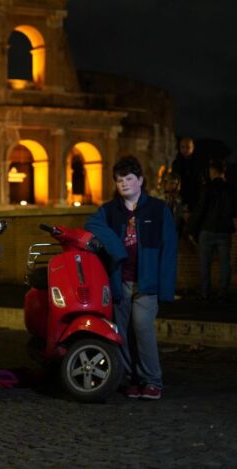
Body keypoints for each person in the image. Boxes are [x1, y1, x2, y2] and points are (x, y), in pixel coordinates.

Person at [85, 155, 177, 401]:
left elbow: (169, 249)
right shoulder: (108, 210)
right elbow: (91, 224)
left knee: (143, 329)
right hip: (120, 281)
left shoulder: (158, 209)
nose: (124, 183)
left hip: (147, 283)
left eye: (129, 178)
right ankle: (129, 379)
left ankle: (152, 380)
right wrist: (117, 248)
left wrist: (166, 288)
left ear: (140, 181)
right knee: (122, 332)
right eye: (119, 180)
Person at [187, 159, 235, 302]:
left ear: (212, 171)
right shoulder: (230, 188)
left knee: (205, 263)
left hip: (207, 229)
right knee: (225, 263)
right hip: (225, 230)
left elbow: (200, 209)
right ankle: (223, 292)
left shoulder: (207, 188)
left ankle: (204, 292)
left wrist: (191, 228)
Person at [171, 137, 206, 212]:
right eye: (182, 147)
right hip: (179, 198)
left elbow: (201, 182)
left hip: (195, 198)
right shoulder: (176, 163)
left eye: (187, 147)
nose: (185, 149)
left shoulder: (199, 163)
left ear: (193, 148)